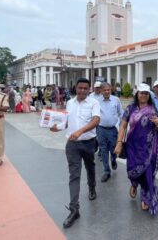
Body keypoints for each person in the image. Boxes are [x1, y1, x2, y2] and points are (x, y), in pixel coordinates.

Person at [50, 78, 100, 229]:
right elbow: (66, 122)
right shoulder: (70, 103)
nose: (83, 91)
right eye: (80, 88)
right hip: (72, 145)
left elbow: (96, 120)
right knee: (74, 175)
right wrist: (56, 128)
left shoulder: (93, 103)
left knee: (90, 167)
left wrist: (80, 131)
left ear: (89, 89)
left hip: (89, 142)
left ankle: (92, 186)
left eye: (86, 88)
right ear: (75, 88)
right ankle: (74, 209)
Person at [114, 83, 158, 215]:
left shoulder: (153, 109)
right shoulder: (130, 108)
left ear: (149, 95)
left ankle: (146, 197)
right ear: (137, 94)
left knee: (147, 172)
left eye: (146, 93)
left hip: (148, 148)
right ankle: (134, 183)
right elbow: (123, 126)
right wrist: (119, 143)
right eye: (141, 93)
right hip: (132, 147)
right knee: (132, 169)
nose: (143, 95)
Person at [97, 82, 123, 182]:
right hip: (101, 129)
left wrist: (120, 126)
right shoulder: (97, 101)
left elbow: (121, 114)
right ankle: (106, 171)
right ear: (101, 91)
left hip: (113, 130)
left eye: (108, 90)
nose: (107, 92)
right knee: (103, 150)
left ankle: (113, 159)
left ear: (111, 90)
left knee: (113, 148)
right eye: (105, 90)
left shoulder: (116, 100)